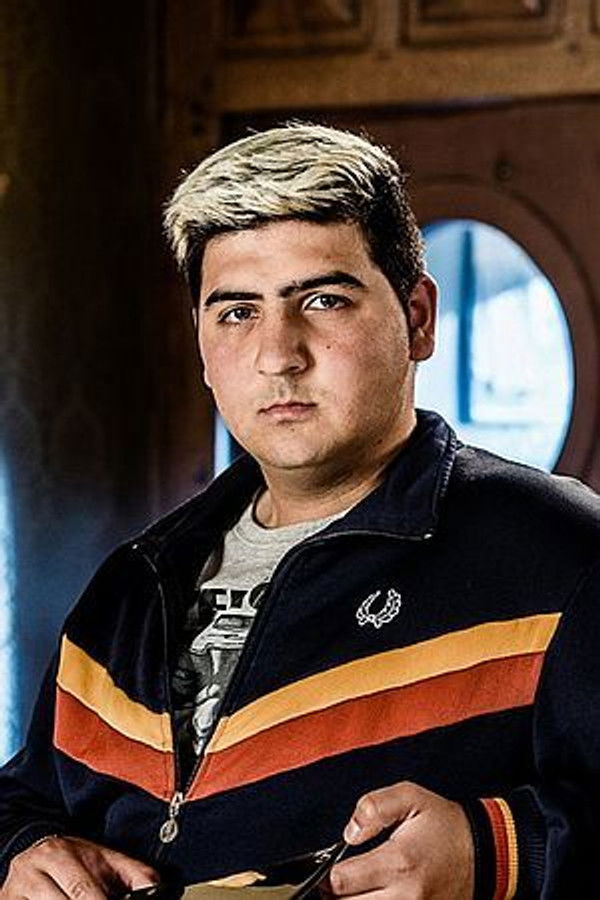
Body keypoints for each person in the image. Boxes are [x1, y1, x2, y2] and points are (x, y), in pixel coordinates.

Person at [0, 123, 599, 900]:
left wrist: (501, 853)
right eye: (236, 312)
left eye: (323, 300)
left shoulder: (559, 553)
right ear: (201, 343)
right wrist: (23, 848)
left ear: (418, 318)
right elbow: (28, 795)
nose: (278, 353)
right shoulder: (132, 585)